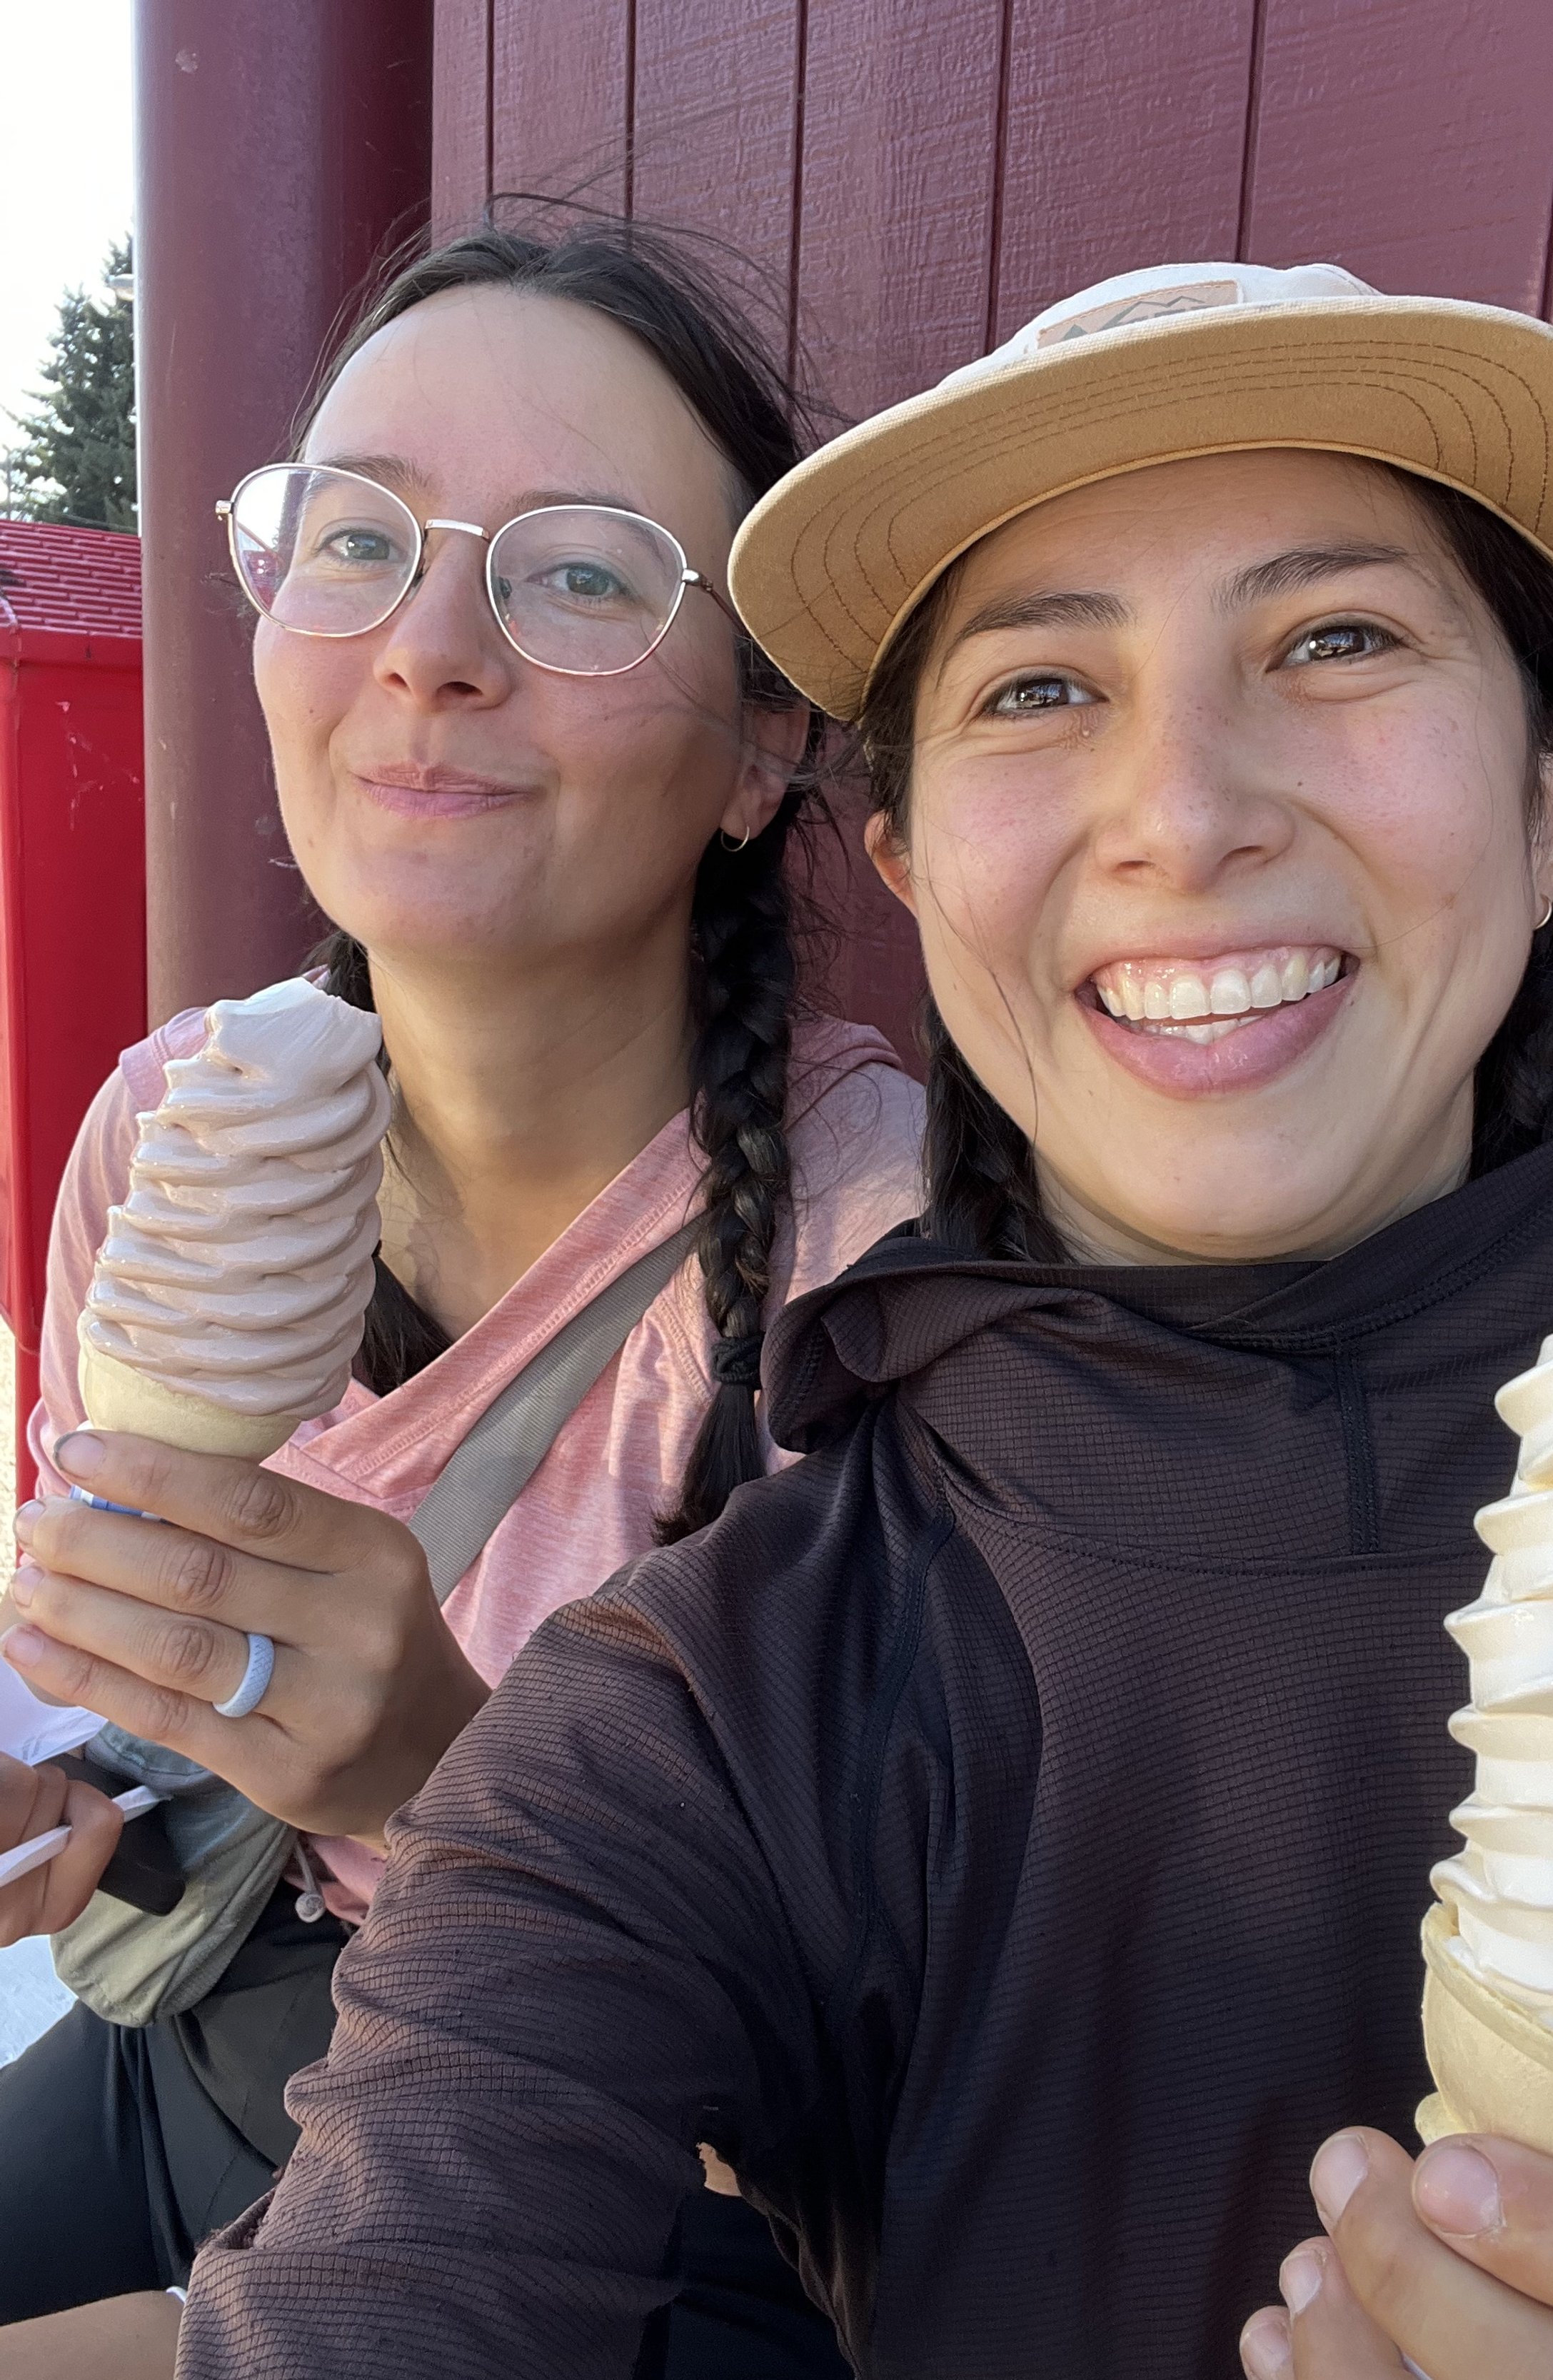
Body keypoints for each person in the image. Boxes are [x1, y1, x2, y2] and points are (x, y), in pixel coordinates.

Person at [100, 261, 1553, 2377]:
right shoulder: (713, 1703)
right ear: (896, 853)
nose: (1185, 815)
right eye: (1039, 689)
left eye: (1334, 638)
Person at [0, 219, 923, 2378]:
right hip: (213, 2022)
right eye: (355, 541)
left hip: (628, 2203)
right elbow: (96, 1649)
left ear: (762, 751)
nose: (428, 646)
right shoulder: (168, 1131)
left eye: (582, 570)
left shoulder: (874, 1281)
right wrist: (70, 1773)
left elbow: (876, 2099)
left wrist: (441, 1778)